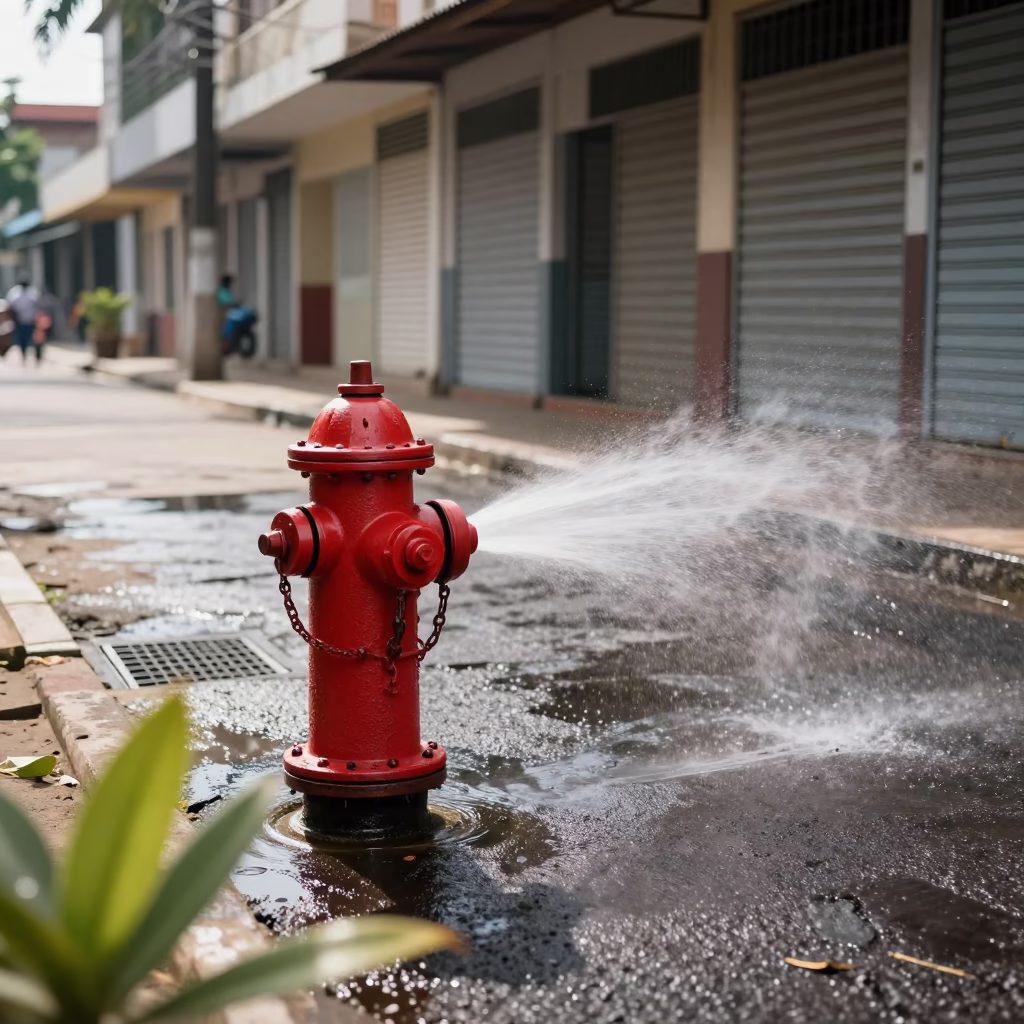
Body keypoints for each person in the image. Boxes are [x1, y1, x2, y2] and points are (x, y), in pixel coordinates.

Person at [6, 277, 42, 364]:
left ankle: (37, 356)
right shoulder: (15, 293)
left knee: (36, 339)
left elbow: (39, 306)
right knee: (22, 339)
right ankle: (24, 355)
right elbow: (10, 307)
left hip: (32, 321)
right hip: (19, 321)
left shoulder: (33, 293)